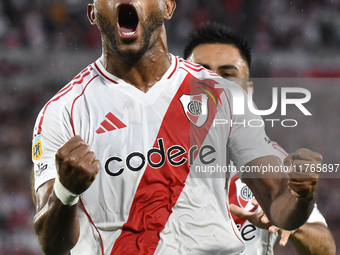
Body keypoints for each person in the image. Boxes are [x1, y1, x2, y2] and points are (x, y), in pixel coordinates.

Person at [31, 1, 323, 255]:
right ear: (93, 14)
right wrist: (66, 191)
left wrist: (301, 195)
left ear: (167, 7)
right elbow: (51, 243)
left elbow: (279, 207)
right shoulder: (63, 112)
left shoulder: (222, 94)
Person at [184, 21, 336, 255]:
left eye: (227, 75)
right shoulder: (147, 152)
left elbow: (325, 249)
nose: (215, 85)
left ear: (248, 91)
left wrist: (292, 223)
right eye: (201, 73)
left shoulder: (276, 162)